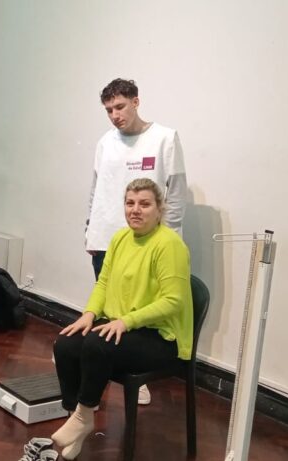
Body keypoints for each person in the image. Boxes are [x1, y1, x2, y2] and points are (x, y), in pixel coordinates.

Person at [52, 178, 193, 460]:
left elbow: (173, 301)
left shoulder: (169, 245)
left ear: (159, 209)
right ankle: (75, 416)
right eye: (130, 203)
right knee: (66, 342)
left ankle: (83, 417)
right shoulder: (119, 238)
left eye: (145, 204)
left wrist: (126, 321)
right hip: (125, 326)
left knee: (97, 345)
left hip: (161, 337)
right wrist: (89, 314)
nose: (135, 210)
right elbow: (103, 282)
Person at [84, 78, 187, 405]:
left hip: (148, 244)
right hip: (106, 239)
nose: (115, 115)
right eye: (108, 110)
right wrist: (90, 230)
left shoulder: (165, 138)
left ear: (136, 102)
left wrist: (167, 239)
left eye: (120, 107)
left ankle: (136, 373)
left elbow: (176, 195)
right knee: (106, 309)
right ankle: (97, 377)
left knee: (142, 311)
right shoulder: (105, 142)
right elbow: (96, 189)